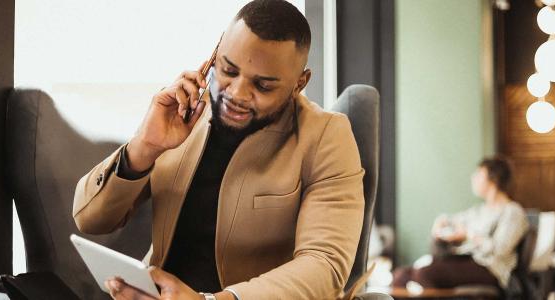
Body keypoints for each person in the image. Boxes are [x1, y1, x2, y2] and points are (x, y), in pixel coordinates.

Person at [72, 1, 366, 299]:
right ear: (214, 54)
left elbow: (324, 266)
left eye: (263, 86)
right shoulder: (181, 111)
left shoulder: (327, 136)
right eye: (228, 70)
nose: (236, 93)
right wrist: (144, 147)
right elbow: (90, 220)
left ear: (299, 84)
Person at [392, 156, 529, 290]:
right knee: (400, 276)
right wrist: (441, 222)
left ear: (493, 179)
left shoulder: (512, 212)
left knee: (425, 274)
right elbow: (452, 220)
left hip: (490, 269)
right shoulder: (480, 210)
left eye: (478, 175)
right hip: (465, 259)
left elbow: (500, 249)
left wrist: (468, 235)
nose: (473, 178)